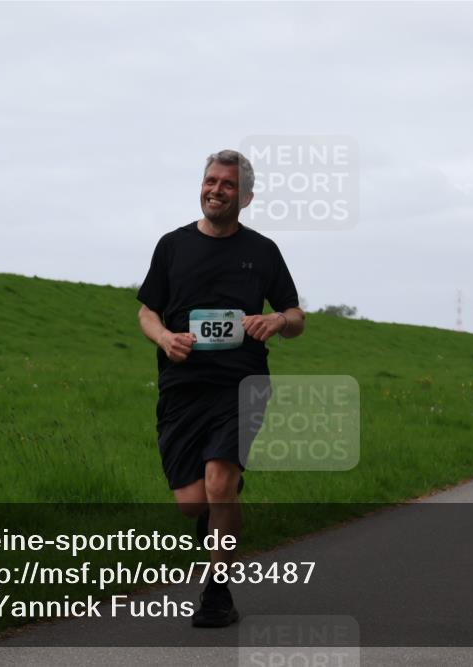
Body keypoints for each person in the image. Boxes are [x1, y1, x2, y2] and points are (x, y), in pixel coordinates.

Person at [137, 149, 305, 627]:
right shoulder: (172, 246)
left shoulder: (263, 251)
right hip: (182, 388)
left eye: (228, 184)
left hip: (241, 384)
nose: (217, 190)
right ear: (201, 187)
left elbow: (296, 317)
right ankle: (220, 508)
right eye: (211, 181)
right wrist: (165, 337)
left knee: (219, 483)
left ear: (245, 196)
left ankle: (216, 593)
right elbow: (147, 311)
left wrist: (277, 319)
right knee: (193, 502)